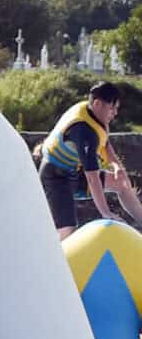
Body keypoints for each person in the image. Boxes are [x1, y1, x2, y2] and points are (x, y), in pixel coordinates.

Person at [39, 81, 142, 240]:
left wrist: (116, 166)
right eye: (111, 108)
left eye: (117, 108)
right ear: (97, 103)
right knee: (68, 231)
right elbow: (92, 178)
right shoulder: (83, 130)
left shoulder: (94, 114)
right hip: (55, 177)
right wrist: (106, 212)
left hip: (74, 171)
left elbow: (105, 142)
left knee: (121, 181)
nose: (115, 113)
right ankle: (58, 262)